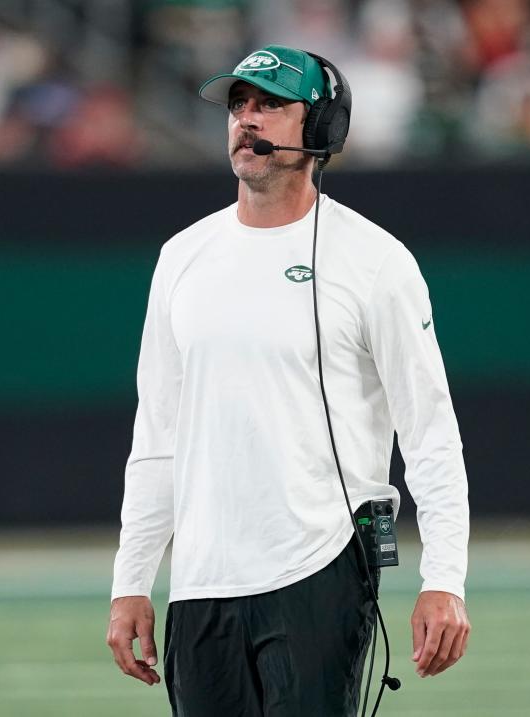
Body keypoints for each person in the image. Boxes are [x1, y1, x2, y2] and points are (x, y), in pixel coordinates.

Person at [107, 45, 470, 716]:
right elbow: (157, 434)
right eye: (239, 105)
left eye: (271, 104)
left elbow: (430, 431)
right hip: (201, 578)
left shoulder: (375, 262)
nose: (248, 120)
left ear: (325, 126)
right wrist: (130, 580)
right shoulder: (182, 257)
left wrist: (443, 577)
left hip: (319, 568)